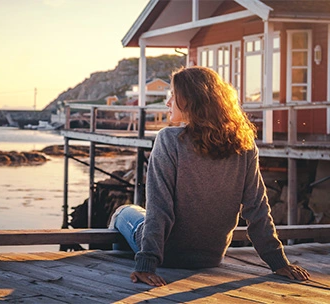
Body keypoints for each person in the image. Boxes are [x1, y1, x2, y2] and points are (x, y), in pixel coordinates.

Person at [110, 66, 310, 287]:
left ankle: (130, 271)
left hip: (168, 254)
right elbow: (257, 208)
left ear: (190, 101)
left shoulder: (169, 140)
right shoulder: (244, 145)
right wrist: (278, 262)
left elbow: (160, 208)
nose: (168, 103)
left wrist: (146, 263)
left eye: (173, 96)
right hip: (211, 256)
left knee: (123, 212)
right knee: (142, 215)